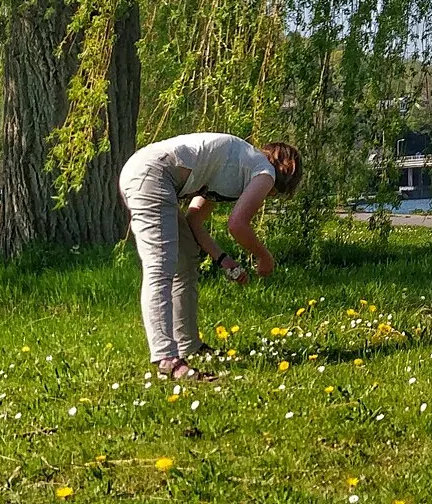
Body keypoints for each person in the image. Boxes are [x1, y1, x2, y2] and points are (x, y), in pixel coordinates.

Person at [117, 132, 302, 379]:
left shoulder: (235, 166)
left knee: (186, 260)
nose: (267, 196)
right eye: (274, 195)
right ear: (285, 176)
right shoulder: (264, 171)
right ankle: (167, 359)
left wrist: (223, 260)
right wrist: (264, 256)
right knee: (160, 267)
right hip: (153, 174)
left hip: (147, 170)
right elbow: (238, 224)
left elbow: (194, 220)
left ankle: (189, 344)